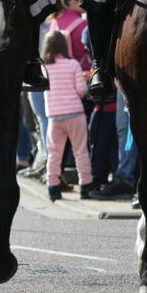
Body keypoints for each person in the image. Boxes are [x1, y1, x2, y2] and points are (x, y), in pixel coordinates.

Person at [41, 31, 92, 201]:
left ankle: (53, 187)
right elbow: (81, 91)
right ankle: (85, 186)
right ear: (64, 45)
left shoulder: (44, 68)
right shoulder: (73, 65)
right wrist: (85, 80)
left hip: (54, 116)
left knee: (54, 154)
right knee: (81, 152)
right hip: (75, 114)